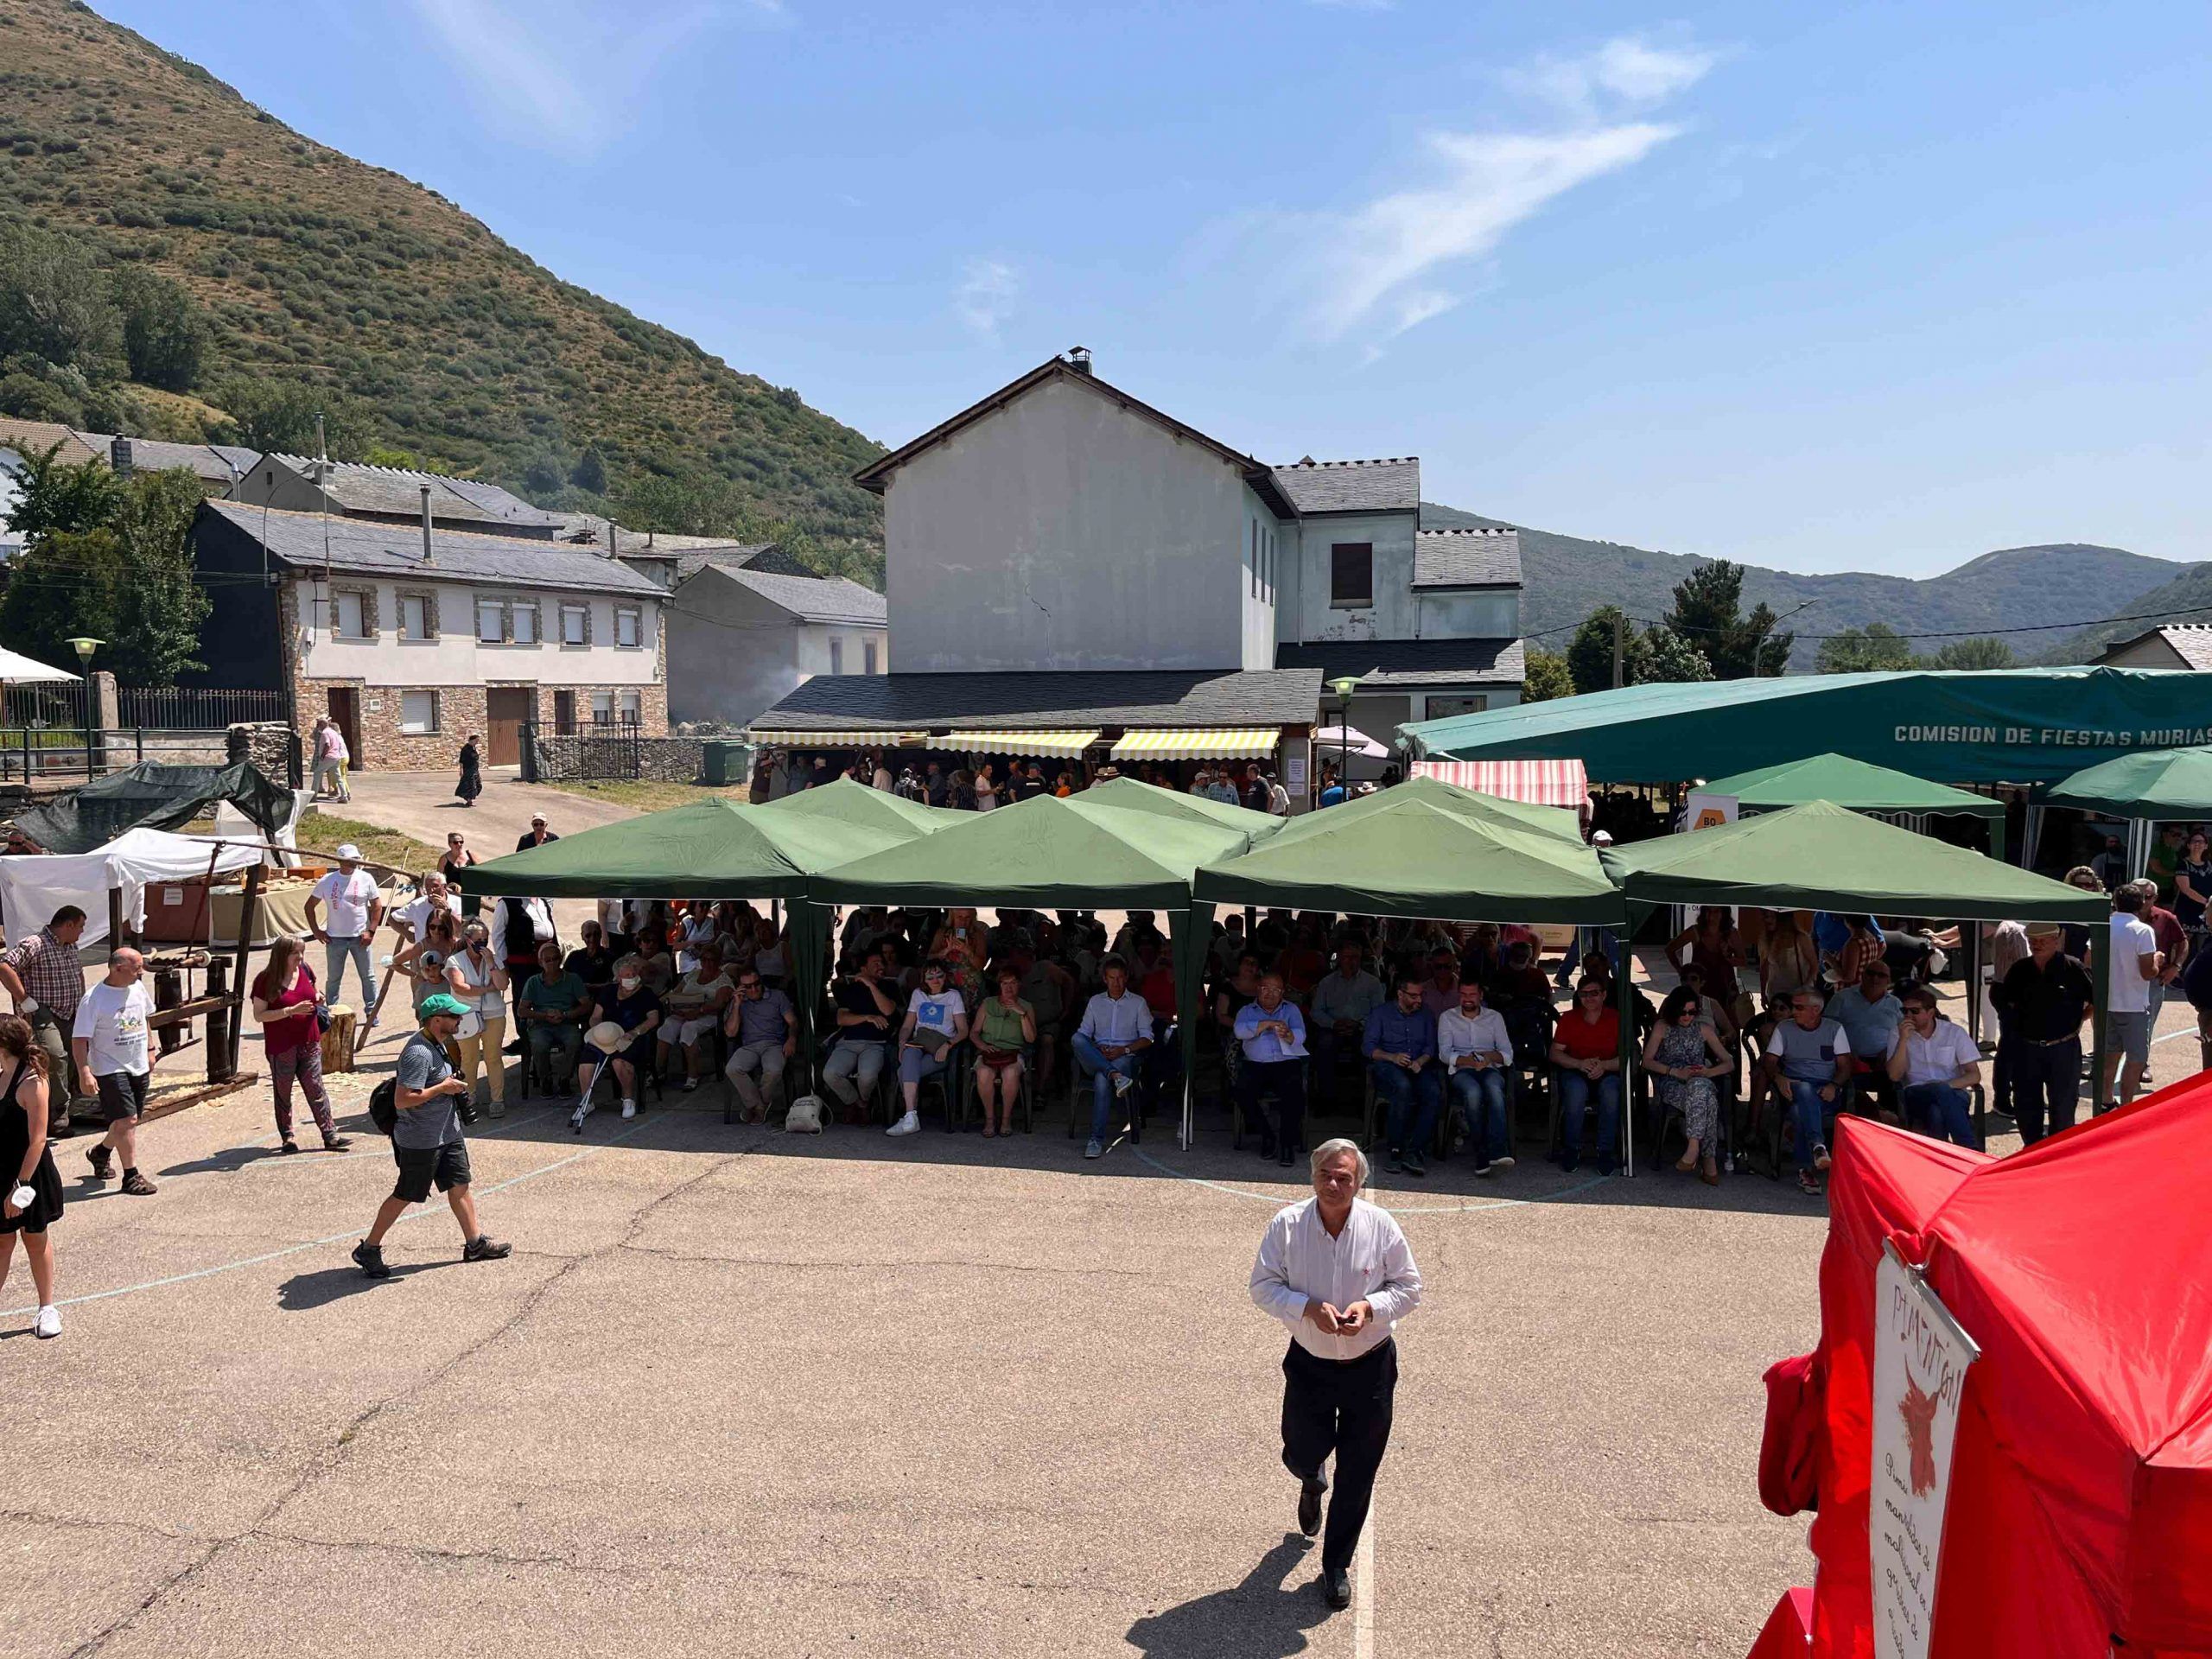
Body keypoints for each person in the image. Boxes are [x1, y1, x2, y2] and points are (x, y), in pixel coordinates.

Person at [1247, 1139, 1422, 1613]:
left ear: (1359, 1182)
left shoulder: (1381, 1225)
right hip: (1310, 1363)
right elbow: (1262, 1287)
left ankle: (1336, 1566)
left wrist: (1371, 1307)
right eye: (1325, 1174)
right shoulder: (1287, 1225)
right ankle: (1310, 1477)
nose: (1333, 1184)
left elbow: (1409, 1287)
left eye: (1344, 1177)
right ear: (1312, 1176)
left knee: (1359, 1472)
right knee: (1302, 1447)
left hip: (1371, 1366)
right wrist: (1305, 1307)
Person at [353, 993, 510, 1277]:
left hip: (447, 1133)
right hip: (421, 1140)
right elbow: (403, 1099)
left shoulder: (438, 1044)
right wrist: (442, 1089)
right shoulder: (418, 1053)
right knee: (405, 1194)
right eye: (454, 1016)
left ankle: (475, 1244)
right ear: (437, 1020)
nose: (459, 1019)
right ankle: (369, 1248)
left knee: (459, 1185)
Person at [1993, 924, 2092, 1146]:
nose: (2037, 945)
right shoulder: (2020, 970)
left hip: (2063, 1048)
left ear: (2056, 940)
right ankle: (2032, 1150)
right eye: (2033, 941)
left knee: (2063, 1108)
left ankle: (2057, 1153)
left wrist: (2079, 1021)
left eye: (2043, 941)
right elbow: (2004, 1000)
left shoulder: (2072, 967)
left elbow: (2096, 1000)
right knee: (2026, 1107)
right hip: (2027, 1048)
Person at [249, 934, 348, 1152]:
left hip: (310, 1041)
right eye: (295, 953)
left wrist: (319, 997)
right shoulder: (265, 980)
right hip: (282, 1046)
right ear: (282, 954)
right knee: (283, 1092)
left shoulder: (305, 970)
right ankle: (288, 1137)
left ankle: (330, 1134)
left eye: (302, 952)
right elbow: (259, 1015)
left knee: (316, 1088)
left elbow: (314, 991)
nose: (300, 957)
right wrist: (290, 1011)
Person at [70, 947, 156, 1197]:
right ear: (118, 968)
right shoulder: (94, 999)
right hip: (110, 1067)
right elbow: (79, 1039)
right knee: (128, 1121)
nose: (141, 972)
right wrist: (85, 1072)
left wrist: (151, 1049)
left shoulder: (137, 988)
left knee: (125, 1122)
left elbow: (145, 1018)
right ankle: (131, 1176)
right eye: (136, 968)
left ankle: (101, 1152)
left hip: (138, 1064)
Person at [0, 903, 90, 1135]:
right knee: (55, 1056)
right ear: (68, 924)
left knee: (74, 1055)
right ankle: (56, 1116)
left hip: (70, 1011)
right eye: (80, 926)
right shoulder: (35, 944)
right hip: (43, 1012)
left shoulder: (70, 946)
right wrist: (23, 998)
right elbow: (5, 966)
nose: (82, 931)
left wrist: (83, 1001)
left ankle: (67, 1104)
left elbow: (77, 973)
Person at [0, 1015, 64, 1337]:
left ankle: (47, 1308)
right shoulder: (2, 1075)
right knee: (2, 1241)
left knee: (35, 1238)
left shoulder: (33, 1082)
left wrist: (20, 1187)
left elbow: (38, 1140)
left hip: (29, 1174)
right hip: (1, 1171)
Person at [1761, 989, 1849, 1196]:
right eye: (1793, 1006)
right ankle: (1818, 1145)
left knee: (1800, 1112)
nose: (1793, 1011)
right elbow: (1770, 1061)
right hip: (1793, 1086)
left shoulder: (1834, 1029)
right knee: (1803, 1089)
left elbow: (1845, 1066)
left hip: (1824, 1090)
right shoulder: (1784, 1028)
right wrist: (1779, 1078)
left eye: (1799, 1007)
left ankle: (1805, 1170)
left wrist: (1834, 1085)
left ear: (1815, 1010)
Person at [1644, 986, 1732, 1184]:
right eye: (1682, 1012)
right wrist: (1675, 1072)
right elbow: (1647, 1061)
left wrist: (1708, 1072)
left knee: (1699, 1088)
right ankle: (1708, 1162)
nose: (1687, 1016)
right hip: (1672, 1081)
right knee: (1708, 1101)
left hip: (1700, 1079)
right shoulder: (1662, 1027)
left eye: (1692, 1012)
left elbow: (1729, 1063)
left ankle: (1693, 1150)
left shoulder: (1703, 1029)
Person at [1071, 956, 1152, 1160]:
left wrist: (1124, 1050)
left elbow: (1147, 1038)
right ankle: (1115, 1076)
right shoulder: (1095, 1002)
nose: (1116, 983)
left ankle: (1095, 1140)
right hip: (1098, 1055)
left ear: (1126, 978)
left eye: (1120, 978)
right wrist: (1098, 1047)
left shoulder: (1138, 1003)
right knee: (1077, 1039)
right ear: (1105, 979)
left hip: (1124, 1055)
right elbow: (1084, 1033)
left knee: (1101, 1079)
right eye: (1112, 978)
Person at [1363, 976, 1441, 1177]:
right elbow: (1368, 1048)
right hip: (1388, 1065)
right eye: (1413, 996)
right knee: (1402, 1087)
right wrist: (1392, 1057)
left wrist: (1420, 1062)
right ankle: (1395, 1150)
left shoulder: (1426, 1014)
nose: (1419, 1000)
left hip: (1417, 1065)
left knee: (1433, 1091)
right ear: (1400, 994)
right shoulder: (1381, 1013)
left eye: (1421, 995)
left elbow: (1431, 1047)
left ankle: (1415, 1151)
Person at [1886, 988, 1982, 1147]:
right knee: (1939, 1096)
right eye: (1905, 1011)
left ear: (1930, 1013)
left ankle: (1940, 1156)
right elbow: (1894, 1076)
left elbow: (1974, 1075)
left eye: (1915, 1011)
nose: (1908, 1016)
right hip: (1917, 1093)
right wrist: (1903, 1041)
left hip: (1954, 1092)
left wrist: (1943, 1088)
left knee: (1936, 1112)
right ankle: (1969, 1148)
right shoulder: (1897, 1033)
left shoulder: (1954, 1032)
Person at [1438, 978, 1515, 1177]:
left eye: (1472, 994)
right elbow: (1444, 1054)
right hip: (1462, 1070)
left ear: (1480, 995)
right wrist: (1469, 1061)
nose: (1467, 999)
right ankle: (1481, 1152)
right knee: (1473, 1093)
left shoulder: (1494, 1017)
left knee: (1494, 1091)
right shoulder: (1447, 1017)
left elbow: (1507, 1053)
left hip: (1489, 1067)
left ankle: (1498, 1150)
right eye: (1463, 994)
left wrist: (1488, 1057)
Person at [1548, 977, 1623, 1177]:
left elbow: (1629, 1056)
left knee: (1611, 1093)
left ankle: (1605, 1150)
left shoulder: (1617, 1019)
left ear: (1604, 995)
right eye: (1584, 994)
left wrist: (1604, 1065)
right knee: (1575, 1092)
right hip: (1575, 1070)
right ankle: (1571, 1148)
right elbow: (1555, 1053)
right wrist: (1579, 1064)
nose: (1589, 998)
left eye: (1594, 993)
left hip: (1607, 1071)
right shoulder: (1569, 1019)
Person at [1233, 971, 1309, 1166]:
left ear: (1282, 992)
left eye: (1276, 990)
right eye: (1266, 989)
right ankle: (1267, 1136)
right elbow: (1239, 1031)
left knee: (1294, 1093)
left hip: (1285, 1062)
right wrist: (1267, 1024)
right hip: (1255, 1064)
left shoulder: (1291, 1009)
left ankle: (1287, 1144)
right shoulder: (1247, 1010)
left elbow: (1300, 1035)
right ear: (1258, 990)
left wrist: (1289, 1034)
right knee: (1242, 1092)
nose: (1270, 994)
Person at [577, 956, 661, 1129]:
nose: (632, 977)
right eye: (627, 975)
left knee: (619, 1060)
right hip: (608, 1035)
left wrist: (635, 1032)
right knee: (586, 1061)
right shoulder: (608, 991)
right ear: (618, 978)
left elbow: (653, 1019)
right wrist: (599, 1031)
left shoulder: (646, 994)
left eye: (634, 974)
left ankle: (628, 1099)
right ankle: (587, 1101)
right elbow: (595, 1017)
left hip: (632, 1037)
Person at [307, 843, 385, 1030]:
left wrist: (371, 930)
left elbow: (377, 905)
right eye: (350, 860)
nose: (353, 863)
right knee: (334, 977)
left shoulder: (366, 878)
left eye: (356, 859)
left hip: (360, 937)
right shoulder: (327, 880)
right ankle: (331, 1012)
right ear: (340, 861)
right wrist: (316, 931)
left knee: (368, 976)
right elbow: (309, 906)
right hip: (335, 938)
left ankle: (371, 1011)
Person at [888, 957, 967, 1137]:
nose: (935, 980)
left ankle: (909, 1117)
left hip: (940, 1047)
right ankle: (911, 1116)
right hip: (919, 1042)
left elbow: (963, 1030)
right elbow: (907, 1026)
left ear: (945, 977)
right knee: (909, 1053)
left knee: (903, 1071)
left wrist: (948, 1045)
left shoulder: (953, 996)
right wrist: (902, 1042)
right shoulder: (918, 994)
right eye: (930, 977)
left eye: (939, 976)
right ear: (924, 979)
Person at [2102, 886, 2163, 1111]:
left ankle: (2106, 1100)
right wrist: (2157, 960)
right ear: (2141, 904)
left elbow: (2089, 959)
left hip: (2108, 1003)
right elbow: (2148, 972)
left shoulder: (2105, 925)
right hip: (2134, 1005)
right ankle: (2127, 1107)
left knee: (2110, 1055)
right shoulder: (2143, 931)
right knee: (2136, 1058)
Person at [444, 920, 509, 1118]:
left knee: (493, 1057)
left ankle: (497, 1099)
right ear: (468, 940)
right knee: (469, 1059)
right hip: (466, 1015)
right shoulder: (455, 961)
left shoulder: (493, 959)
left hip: (493, 1014)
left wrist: (490, 964)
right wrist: (487, 989)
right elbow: (460, 987)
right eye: (478, 941)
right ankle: (469, 1098)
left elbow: (503, 985)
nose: (482, 944)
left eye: (485, 940)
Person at [823, 948, 898, 1118]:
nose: (881, 966)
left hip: (876, 1044)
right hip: (849, 1042)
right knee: (830, 1074)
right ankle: (857, 1103)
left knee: (868, 1076)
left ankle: (863, 1101)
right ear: (863, 968)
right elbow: (841, 1018)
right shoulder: (851, 989)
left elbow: (888, 1010)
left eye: (882, 963)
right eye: (875, 963)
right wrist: (867, 1017)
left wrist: (871, 985)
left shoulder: (889, 986)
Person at [1308, 941, 1385, 1104]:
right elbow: (1316, 1012)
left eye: (1355, 957)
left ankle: (1363, 1101)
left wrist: (1360, 1024)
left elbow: (1380, 1013)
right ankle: (1326, 1099)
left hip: (1362, 1028)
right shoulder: (1327, 983)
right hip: (1333, 1027)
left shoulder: (1372, 983)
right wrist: (1333, 1024)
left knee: (1368, 1049)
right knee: (1324, 1046)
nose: (1351, 961)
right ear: (1339, 959)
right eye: (1347, 957)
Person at [720, 965, 796, 1122]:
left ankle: (757, 1106)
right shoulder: (738, 1001)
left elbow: (793, 1022)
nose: (754, 989)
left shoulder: (777, 996)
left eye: (756, 984)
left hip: (774, 1043)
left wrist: (792, 1039)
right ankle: (758, 1105)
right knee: (732, 1068)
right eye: (748, 987)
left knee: (773, 1070)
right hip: (749, 1045)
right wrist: (737, 1005)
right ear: (741, 988)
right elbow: (730, 1033)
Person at [658, 942, 734, 1093]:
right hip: (684, 1012)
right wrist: (673, 1005)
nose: (708, 963)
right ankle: (659, 1071)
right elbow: (676, 993)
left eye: (712, 960)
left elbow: (719, 1004)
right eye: (704, 959)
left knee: (689, 1028)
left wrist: (699, 1011)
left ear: (718, 961)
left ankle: (693, 1075)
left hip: (710, 1015)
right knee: (668, 1025)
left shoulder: (723, 980)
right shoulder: (693, 975)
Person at [2132, 878, 2190, 1071]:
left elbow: (2183, 942)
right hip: (2123, 980)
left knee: (2145, 1027)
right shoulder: (2120, 917)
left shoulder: (2166, 917)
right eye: (2137, 896)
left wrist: (2176, 967)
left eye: (2147, 896)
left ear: (2155, 897)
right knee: (2114, 1025)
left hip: (2153, 981)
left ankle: (2142, 1065)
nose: (2142, 901)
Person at [971, 966, 1036, 1138]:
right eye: (1004, 983)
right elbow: (974, 1032)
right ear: (999, 985)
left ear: (1019, 984)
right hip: (988, 1050)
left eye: (1013, 983)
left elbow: (1030, 1039)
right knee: (984, 1073)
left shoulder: (1026, 1006)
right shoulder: (988, 1003)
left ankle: (1006, 1120)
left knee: (1010, 1074)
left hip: (1013, 1052)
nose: (1009, 987)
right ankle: (990, 1120)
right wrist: (982, 1046)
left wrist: (1022, 1014)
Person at [516, 941, 588, 1094]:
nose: (552, 963)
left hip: (567, 1022)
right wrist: (544, 1016)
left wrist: (566, 1014)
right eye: (547, 960)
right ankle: (545, 1080)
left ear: (560, 959)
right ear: (540, 962)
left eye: (555, 959)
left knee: (574, 1041)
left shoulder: (572, 979)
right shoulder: (533, 982)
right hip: (541, 1024)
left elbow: (586, 1005)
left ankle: (565, 1079)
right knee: (539, 1044)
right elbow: (521, 1010)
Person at [440, 831, 481, 918]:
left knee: (472, 919)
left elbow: (481, 872)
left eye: (461, 842)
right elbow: (439, 878)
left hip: (470, 895)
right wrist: (446, 888)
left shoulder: (470, 855)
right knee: (455, 918)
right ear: (450, 844)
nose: (459, 844)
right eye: (455, 842)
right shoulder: (444, 859)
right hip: (453, 895)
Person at [314, 715, 350, 803]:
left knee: (317, 774)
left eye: (319, 724)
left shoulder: (325, 733)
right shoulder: (334, 732)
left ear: (322, 724)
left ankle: (313, 796)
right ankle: (344, 796)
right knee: (338, 777)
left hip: (329, 756)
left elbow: (327, 744)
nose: (318, 726)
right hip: (336, 757)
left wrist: (323, 755)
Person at [455, 733, 483, 807]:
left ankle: (469, 799)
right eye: (476, 740)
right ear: (472, 740)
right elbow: (461, 760)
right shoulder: (465, 749)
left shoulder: (473, 748)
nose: (477, 742)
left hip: (474, 770)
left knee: (478, 785)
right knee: (471, 786)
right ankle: (469, 801)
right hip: (468, 770)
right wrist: (461, 770)